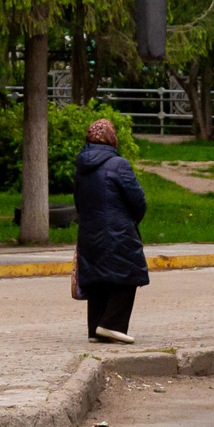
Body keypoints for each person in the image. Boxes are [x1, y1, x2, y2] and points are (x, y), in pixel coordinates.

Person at [74, 119, 149, 344]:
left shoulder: (81, 167)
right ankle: (111, 324)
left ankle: (95, 329)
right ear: (112, 139)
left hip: (88, 231)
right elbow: (138, 201)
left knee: (97, 277)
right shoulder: (119, 164)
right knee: (129, 274)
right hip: (118, 231)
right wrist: (132, 219)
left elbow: (79, 202)